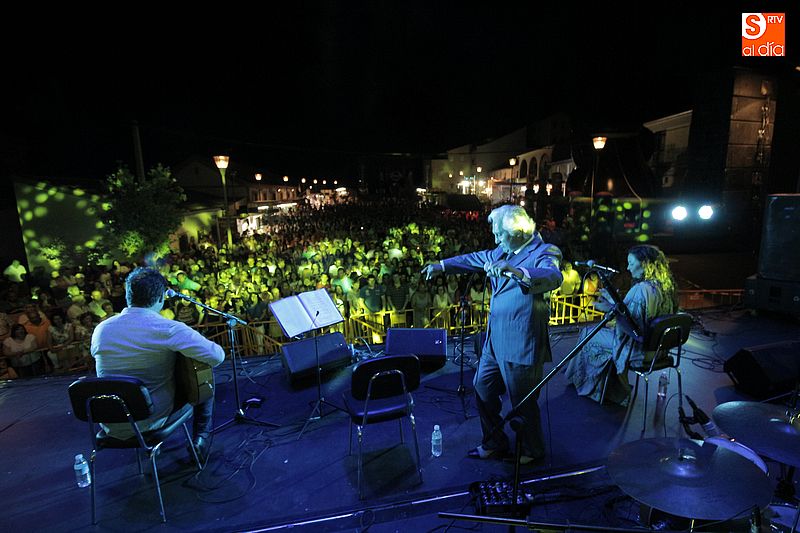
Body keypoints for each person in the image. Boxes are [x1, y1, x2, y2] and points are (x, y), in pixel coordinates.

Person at [422, 204, 563, 464]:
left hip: (521, 341)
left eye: (500, 234)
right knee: (482, 388)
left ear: (519, 232)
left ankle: (533, 449)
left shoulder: (544, 251)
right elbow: (477, 257)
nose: (496, 240)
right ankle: (495, 442)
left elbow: (553, 276)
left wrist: (517, 272)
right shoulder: (503, 249)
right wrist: (442, 265)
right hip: (494, 341)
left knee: (523, 401)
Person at [91, 267, 225, 464]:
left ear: (128, 295)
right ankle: (200, 441)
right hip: (149, 419)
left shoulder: (101, 329)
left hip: (111, 420)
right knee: (204, 380)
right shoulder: (168, 329)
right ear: (161, 298)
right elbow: (217, 356)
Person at [564, 245, 678, 405]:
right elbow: (637, 315)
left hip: (639, 352)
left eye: (631, 263)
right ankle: (600, 385)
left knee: (588, 333)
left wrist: (609, 309)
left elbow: (632, 328)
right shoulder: (666, 288)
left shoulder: (641, 289)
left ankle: (584, 382)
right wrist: (613, 302)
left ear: (645, 263)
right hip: (660, 351)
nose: (628, 267)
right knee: (602, 332)